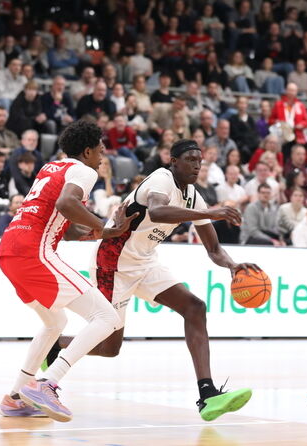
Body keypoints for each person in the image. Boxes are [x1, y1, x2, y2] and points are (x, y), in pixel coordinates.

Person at [43, 138, 256, 421]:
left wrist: (232, 265)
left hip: (145, 261)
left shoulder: (194, 196)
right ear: (174, 161)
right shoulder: (161, 178)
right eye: (190, 160)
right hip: (113, 262)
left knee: (195, 307)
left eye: (199, 161)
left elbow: (214, 249)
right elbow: (157, 210)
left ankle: (207, 395)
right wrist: (210, 212)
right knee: (109, 347)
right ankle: (55, 346)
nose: (196, 165)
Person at [0, 120, 135, 421]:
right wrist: (103, 223)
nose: (103, 154)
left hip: (9, 249)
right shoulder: (85, 171)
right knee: (108, 317)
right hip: (33, 250)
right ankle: (48, 384)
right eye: (100, 148)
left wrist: (102, 233)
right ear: (87, 151)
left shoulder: (51, 168)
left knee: (54, 322)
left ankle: (15, 397)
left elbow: (66, 226)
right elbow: (67, 202)